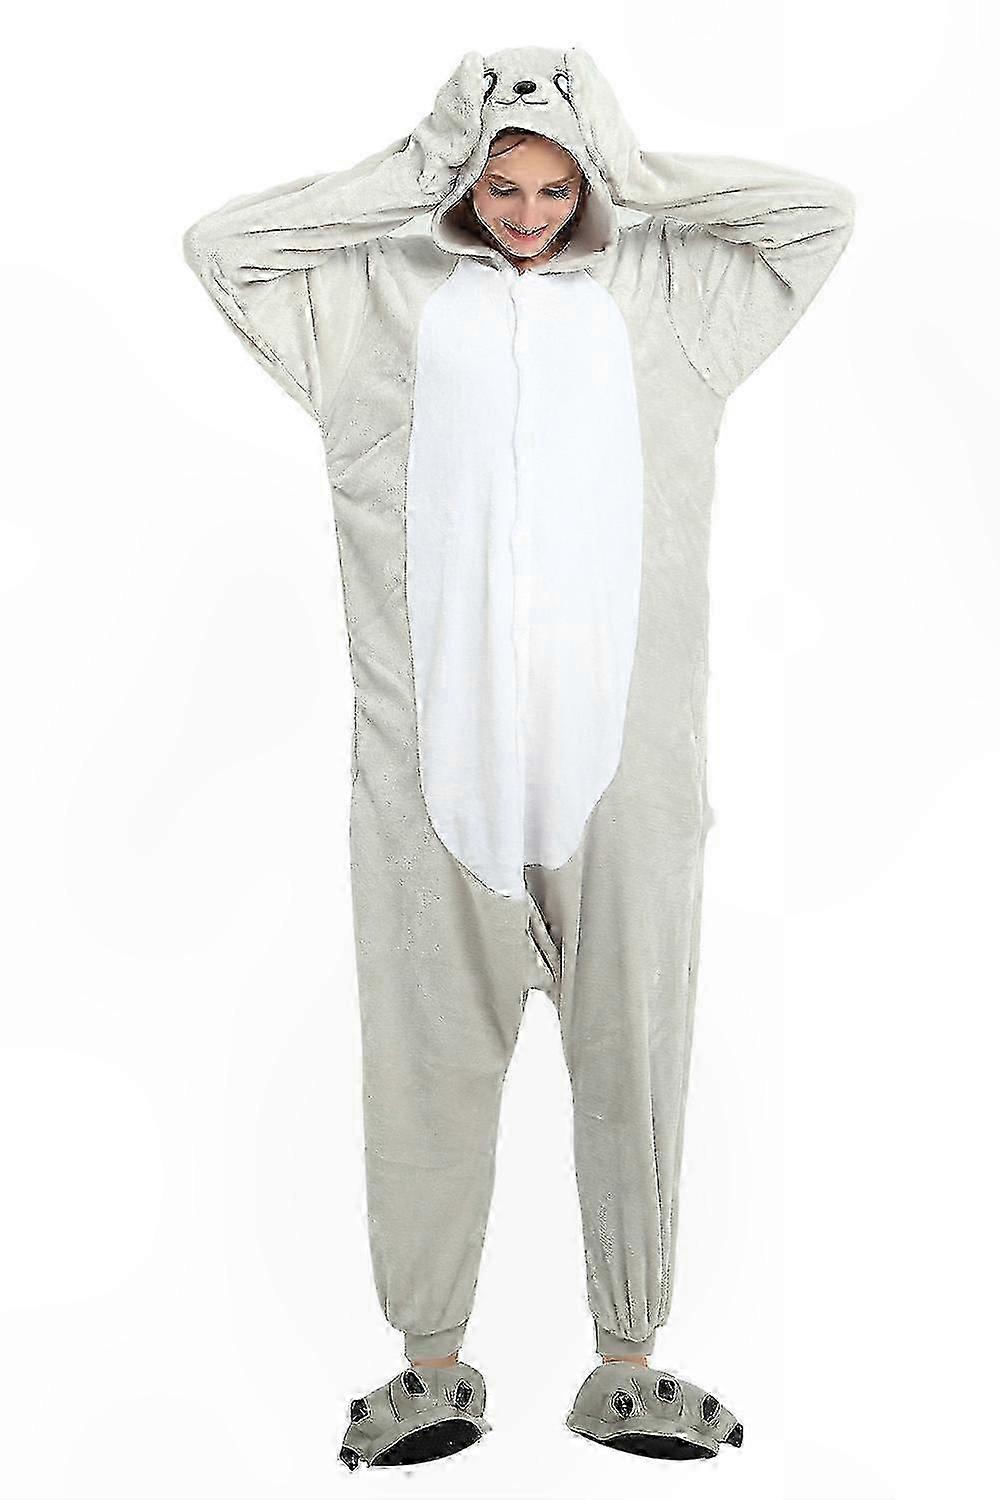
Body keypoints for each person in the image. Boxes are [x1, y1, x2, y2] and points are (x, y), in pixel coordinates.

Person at [182, 43, 855, 1469]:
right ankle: (431, 1367)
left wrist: (636, 169)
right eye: (502, 185)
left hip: (627, 781)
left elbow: (818, 217)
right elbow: (223, 248)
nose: (531, 215)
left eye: (557, 187)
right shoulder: (373, 302)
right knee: (423, 1072)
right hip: (436, 782)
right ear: (463, 178)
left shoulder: (669, 297)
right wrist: (422, 168)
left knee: (637, 1063)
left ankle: (629, 1363)